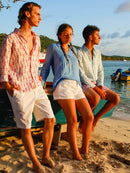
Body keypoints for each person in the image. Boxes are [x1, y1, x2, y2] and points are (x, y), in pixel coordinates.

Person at [0, 2, 55, 173]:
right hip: (19, 89)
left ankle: (45, 156)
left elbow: (32, 63)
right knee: (26, 128)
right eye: (37, 14)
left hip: (35, 86)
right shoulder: (10, 39)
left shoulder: (37, 38)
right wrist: (9, 87)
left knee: (51, 119)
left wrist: (38, 76)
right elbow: (3, 66)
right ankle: (35, 163)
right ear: (27, 14)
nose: (40, 17)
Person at [41, 24, 94, 161]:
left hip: (76, 86)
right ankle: (75, 153)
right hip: (63, 85)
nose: (69, 36)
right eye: (65, 34)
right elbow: (46, 68)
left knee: (89, 117)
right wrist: (41, 85)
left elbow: (79, 73)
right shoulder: (54, 48)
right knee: (73, 120)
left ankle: (84, 149)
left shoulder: (74, 50)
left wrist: (92, 85)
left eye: (71, 34)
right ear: (59, 35)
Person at [78, 25, 120, 131]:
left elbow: (101, 71)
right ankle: (84, 120)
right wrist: (96, 89)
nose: (100, 37)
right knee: (96, 98)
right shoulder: (79, 53)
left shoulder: (97, 53)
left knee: (116, 98)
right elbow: (81, 75)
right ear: (90, 37)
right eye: (97, 35)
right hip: (84, 84)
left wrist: (100, 86)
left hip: (96, 83)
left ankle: (96, 118)